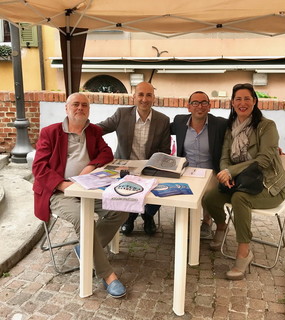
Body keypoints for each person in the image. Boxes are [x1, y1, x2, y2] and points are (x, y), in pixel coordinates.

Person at [32, 93, 129, 298]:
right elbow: (39, 167)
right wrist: (62, 184)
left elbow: (107, 153)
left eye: (84, 105)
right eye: (75, 104)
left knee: (121, 208)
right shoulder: (50, 133)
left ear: (89, 110)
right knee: (82, 219)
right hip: (59, 192)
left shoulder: (92, 131)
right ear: (66, 108)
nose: (80, 108)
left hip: (88, 188)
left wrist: (91, 166)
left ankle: (84, 248)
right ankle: (108, 275)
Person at [202, 83, 285, 280]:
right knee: (210, 197)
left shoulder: (267, 126)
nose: (242, 103)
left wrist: (231, 171)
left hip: (270, 185)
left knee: (241, 199)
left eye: (247, 98)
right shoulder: (230, 128)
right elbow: (224, 155)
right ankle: (222, 226)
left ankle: (243, 253)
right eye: (238, 99)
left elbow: (264, 160)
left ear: (255, 101)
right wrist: (226, 171)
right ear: (232, 103)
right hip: (241, 180)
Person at [96, 81, 171, 235]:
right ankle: (128, 217)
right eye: (141, 95)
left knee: (161, 187)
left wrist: (154, 166)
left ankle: (147, 215)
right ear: (134, 97)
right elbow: (99, 129)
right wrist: (78, 127)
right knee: (123, 189)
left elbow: (165, 151)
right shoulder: (121, 114)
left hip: (149, 168)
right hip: (124, 168)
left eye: (148, 95)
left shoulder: (163, 120)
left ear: (154, 98)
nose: (144, 99)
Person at [170, 91, 227, 239]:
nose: (199, 106)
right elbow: (159, 130)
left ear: (209, 106)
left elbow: (241, 131)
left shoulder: (219, 124)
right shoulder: (179, 121)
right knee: (178, 190)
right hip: (186, 171)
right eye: (195, 103)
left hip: (210, 173)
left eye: (203, 103)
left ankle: (208, 221)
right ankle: (185, 221)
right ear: (188, 107)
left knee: (207, 194)